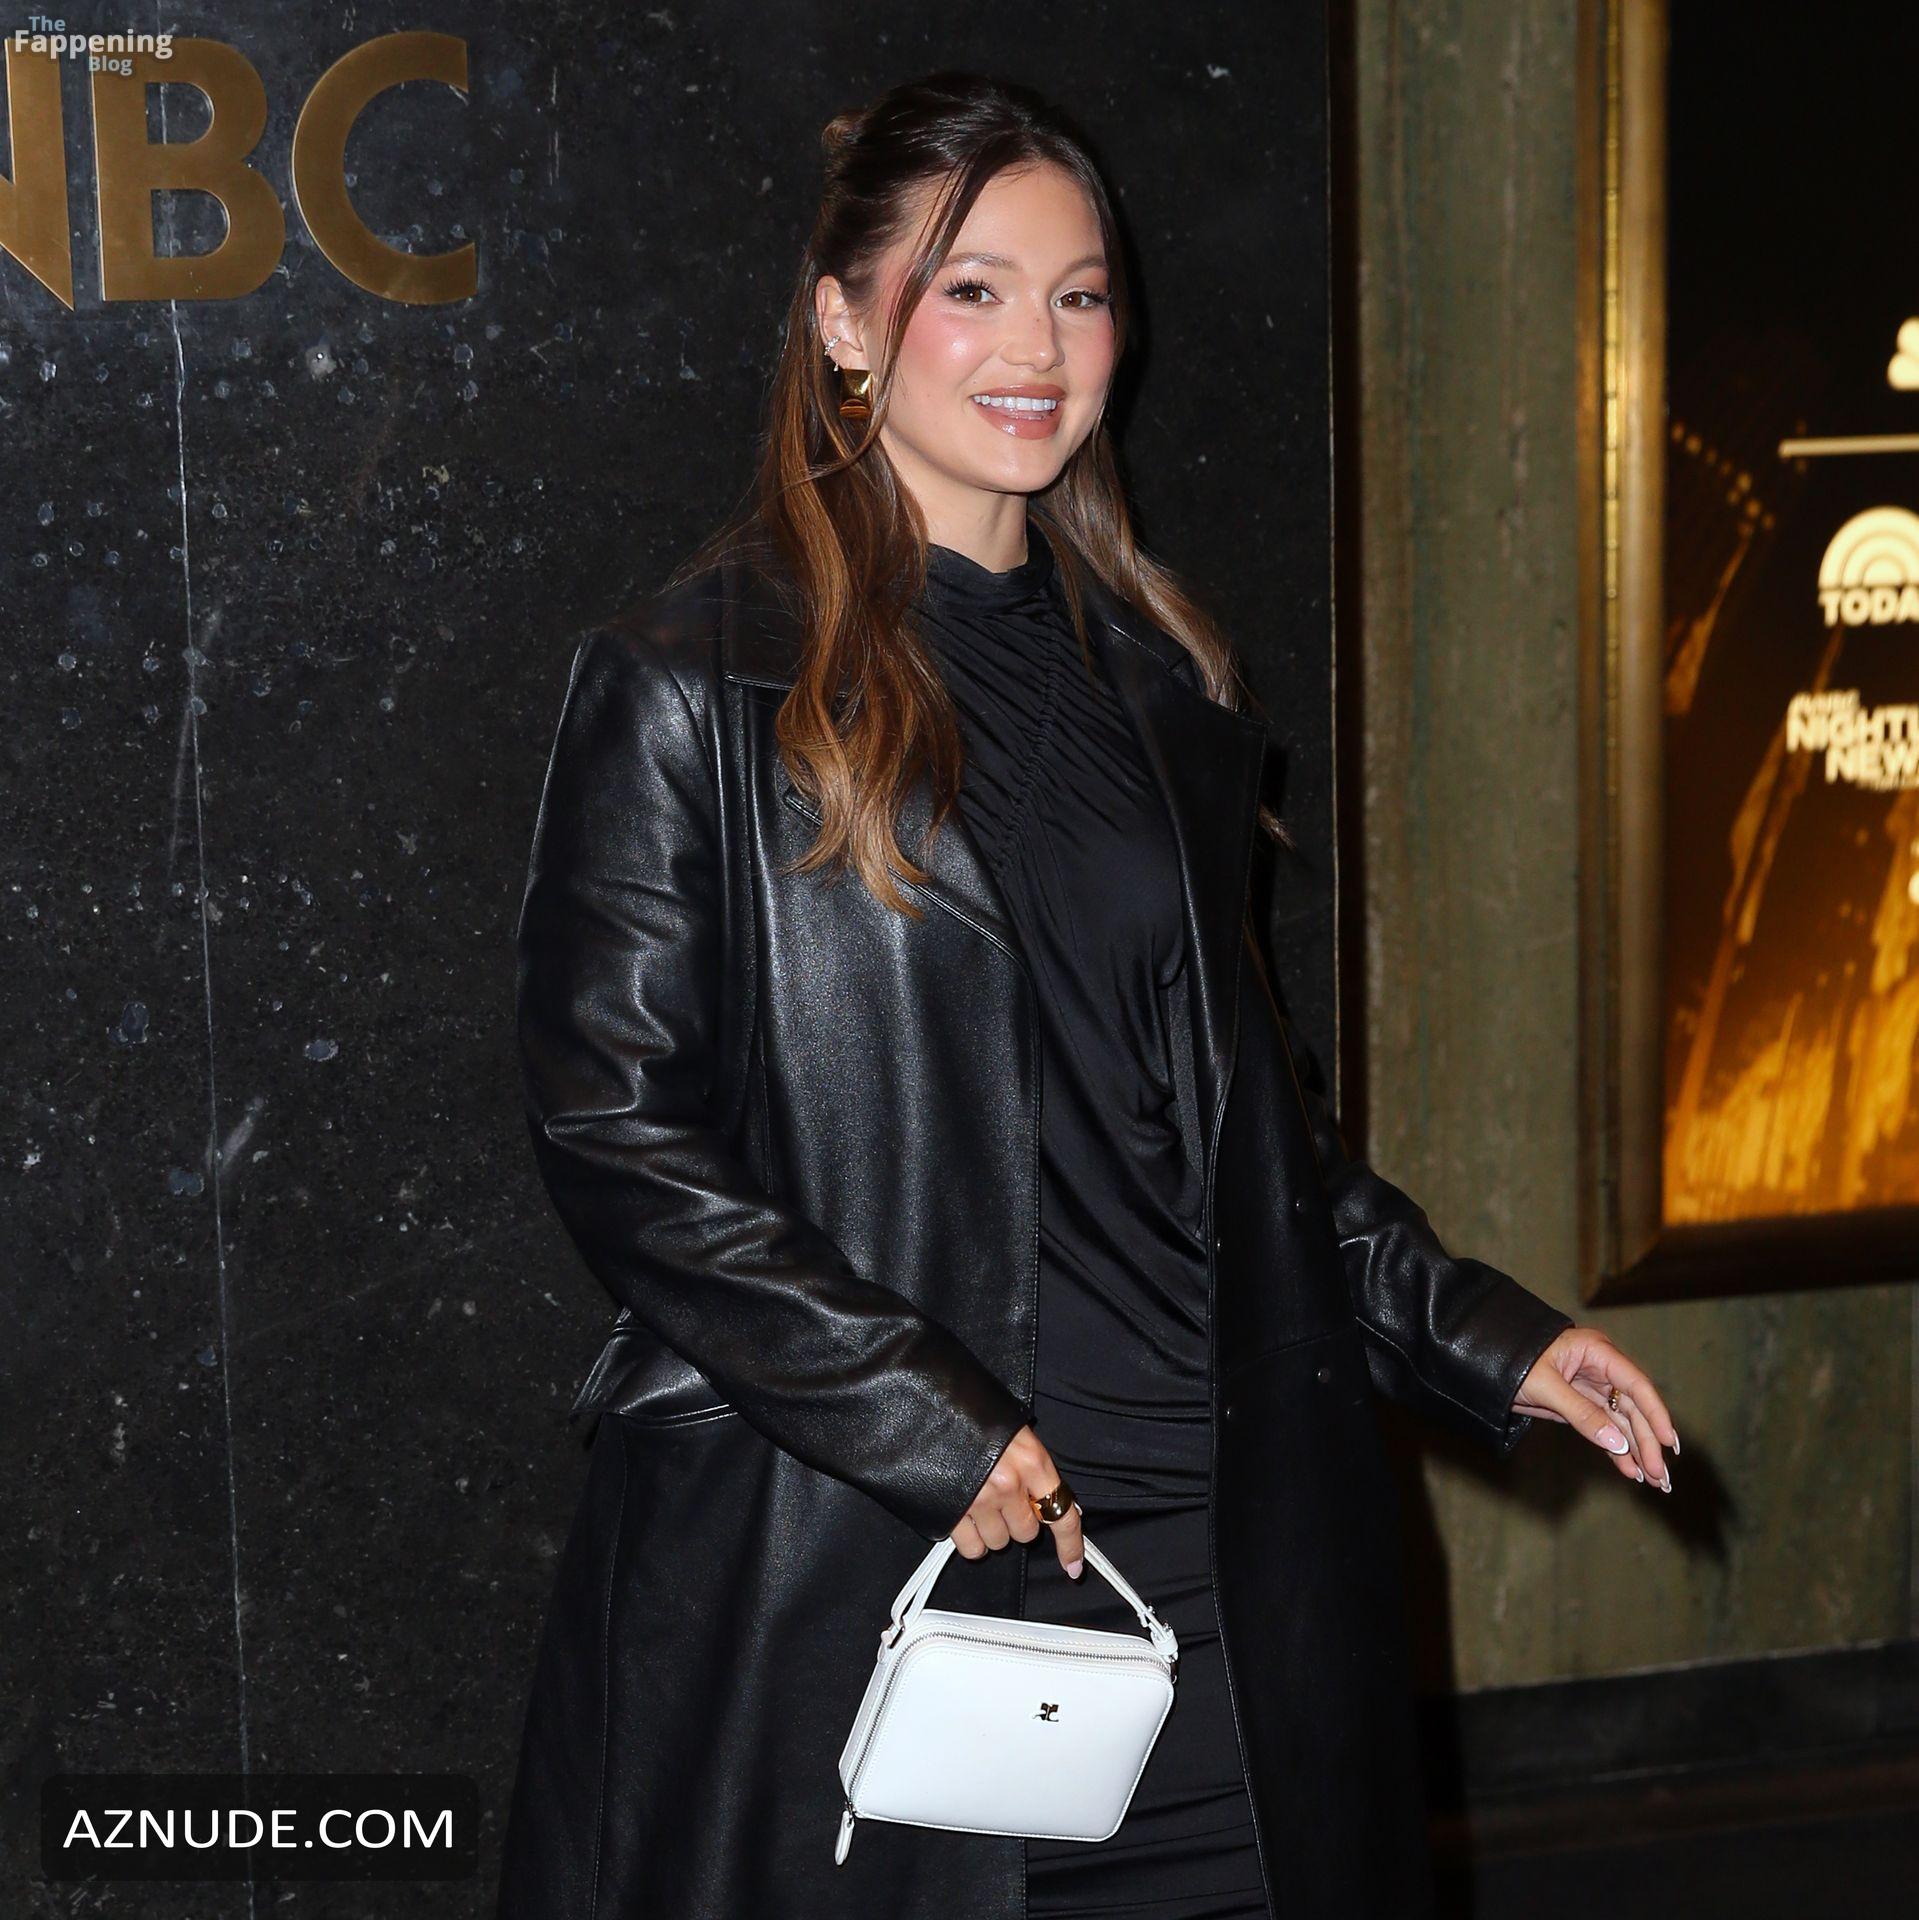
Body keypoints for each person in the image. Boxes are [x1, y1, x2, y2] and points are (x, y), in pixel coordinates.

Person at [495, 71, 1679, 1920]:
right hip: (883, 1544)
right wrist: (926, 1418)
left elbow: (1245, 1137)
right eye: (970, 290)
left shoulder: (1160, 685)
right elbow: (617, 1136)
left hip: (1201, 1550)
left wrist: (1477, 1335)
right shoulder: (696, 685)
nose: (1038, 348)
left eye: (1082, 294)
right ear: (845, 324)